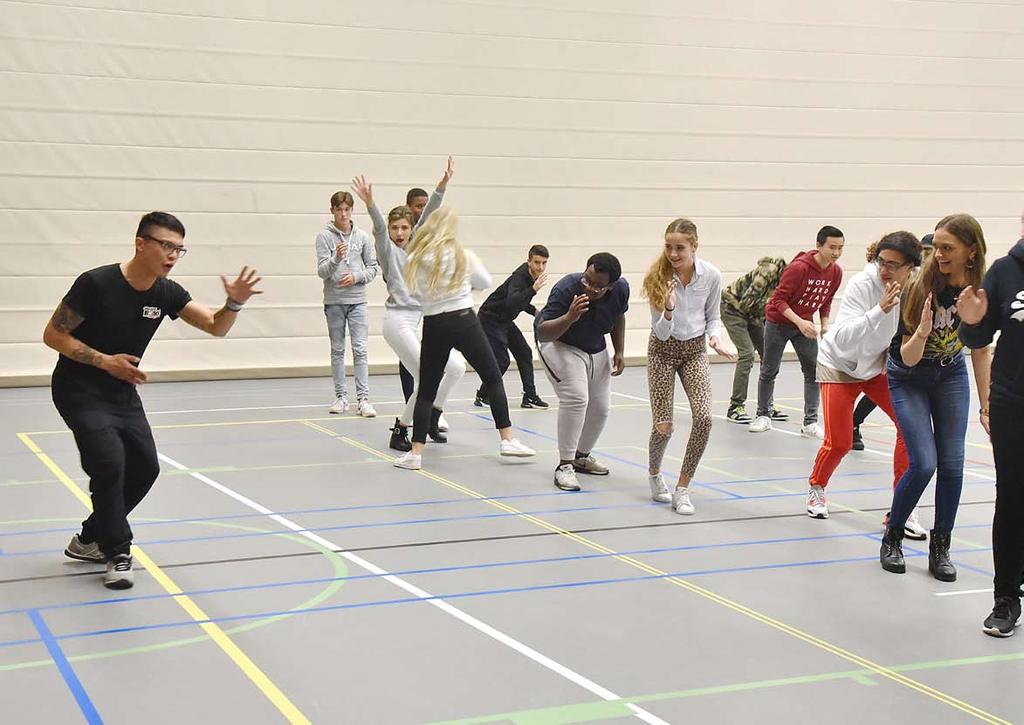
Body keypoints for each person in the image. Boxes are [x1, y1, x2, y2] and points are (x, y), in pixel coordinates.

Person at [45, 211, 262, 589]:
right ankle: (118, 552)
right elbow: (53, 335)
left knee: (145, 469)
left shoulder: (166, 292)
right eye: (166, 245)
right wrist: (103, 360)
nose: (172, 255)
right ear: (140, 243)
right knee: (109, 463)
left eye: (179, 249)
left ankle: (89, 538)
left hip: (121, 392)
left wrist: (234, 305)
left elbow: (215, 326)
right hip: (78, 387)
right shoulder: (96, 283)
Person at [879, 214, 991, 581]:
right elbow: (907, 356)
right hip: (908, 374)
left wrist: (986, 405)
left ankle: (940, 546)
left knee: (954, 464)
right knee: (924, 462)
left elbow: (978, 350)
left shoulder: (979, 288)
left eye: (948, 248)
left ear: (970, 251)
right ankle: (893, 535)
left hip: (950, 373)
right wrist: (924, 332)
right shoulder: (920, 286)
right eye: (937, 247)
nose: (939, 255)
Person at [394, 207, 535, 469]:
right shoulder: (463, 256)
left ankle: (415, 454)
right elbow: (484, 280)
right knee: (492, 376)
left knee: (426, 389)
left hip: (434, 323)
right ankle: (507, 439)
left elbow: (412, 291)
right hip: (463, 320)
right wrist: (466, 287)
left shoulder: (416, 256)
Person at [805, 233, 919, 521]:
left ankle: (901, 506)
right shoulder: (862, 284)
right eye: (881, 261)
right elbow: (842, 337)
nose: (885, 269)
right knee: (840, 442)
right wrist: (880, 310)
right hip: (839, 364)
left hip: (875, 367)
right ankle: (817, 486)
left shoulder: (915, 288)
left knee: (909, 428)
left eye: (894, 265)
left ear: (911, 268)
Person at [350, 159, 462, 452]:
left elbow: (427, 216)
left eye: (403, 227)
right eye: (394, 228)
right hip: (397, 321)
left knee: (457, 367)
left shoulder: (417, 246)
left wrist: (442, 185)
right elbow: (376, 228)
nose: (399, 232)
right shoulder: (387, 251)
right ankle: (402, 429)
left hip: (421, 320)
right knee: (427, 375)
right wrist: (371, 203)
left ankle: (434, 414)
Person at [958, 218, 1024, 636]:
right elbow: (976, 336)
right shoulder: (1005, 270)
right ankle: (1005, 598)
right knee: (1013, 497)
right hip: (1013, 403)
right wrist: (971, 320)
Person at [642, 219, 735, 515]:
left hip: (694, 351)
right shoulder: (657, 278)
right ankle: (655, 474)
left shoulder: (711, 276)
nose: (673, 253)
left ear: (694, 246)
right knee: (664, 426)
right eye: (668, 247)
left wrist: (715, 338)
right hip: (662, 350)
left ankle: (683, 488)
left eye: (680, 247)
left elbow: (713, 316)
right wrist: (668, 308)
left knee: (705, 417)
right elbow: (662, 332)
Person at [536, 253, 629, 492]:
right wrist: (570, 316)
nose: (589, 287)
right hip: (559, 343)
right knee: (577, 398)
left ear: (610, 286)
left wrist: (619, 349)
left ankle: (581, 456)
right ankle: (564, 465)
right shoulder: (566, 289)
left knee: (601, 407)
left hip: (594, 345)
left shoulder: (620, 290)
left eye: (598, 286)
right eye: (587, 279)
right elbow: (543, 333)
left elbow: (619, 315)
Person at [750, 226, 845, 436]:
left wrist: (825, 325)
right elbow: (778, 300)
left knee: (813, 371)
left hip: (805, 325)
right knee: (769, 369)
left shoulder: (836, 272)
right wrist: (800, 322)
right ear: (819, 246)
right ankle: (763, 415)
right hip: (778, 322)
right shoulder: (799, 268)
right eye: (832, 247)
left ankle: (810, 422)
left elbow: (826, 301)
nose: (836, 253)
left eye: (840, 248)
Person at [851, 233, 934, 451]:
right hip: (892, 345)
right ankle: (853, 423)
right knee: (880, 390)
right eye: (926, 251)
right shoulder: (898, 279)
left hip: (917, 345)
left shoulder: (930, 281)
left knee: (896, 401)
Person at [316, 190, 379, 417]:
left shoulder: (362, 237)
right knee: (338, 350)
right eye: (339, 209)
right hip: (334, 301)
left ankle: (363, 399)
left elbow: (373, 268)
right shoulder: (324, 237)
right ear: (332, 210)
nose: (343, 214)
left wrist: (356, 277)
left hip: (358, 301)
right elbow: (322, 271)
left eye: (347, 209)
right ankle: (341, 397)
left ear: (352, 211)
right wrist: (336, 259)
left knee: (360, 350)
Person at [474, 244, 550, 409]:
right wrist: (533, 290)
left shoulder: (529, 277)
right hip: (490, 319)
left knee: (524, 353)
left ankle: (529, 396)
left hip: (504, 320)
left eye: (544, 263)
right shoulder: (520, 277)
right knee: (502, 361)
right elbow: (512, 301)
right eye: (537, 262)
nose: (541, 267)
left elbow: (519, 302)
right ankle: (483, 394)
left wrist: (535, 311)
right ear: (529, 261)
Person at [720, 255, 788, 424]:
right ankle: (735, 407)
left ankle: (766, 406)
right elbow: (746, 303)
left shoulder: (787, 281)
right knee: (747, 354)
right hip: (733, 308)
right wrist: (772, 304)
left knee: (768, 355)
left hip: (753, 315)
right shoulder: (767, 274)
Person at [397, 186, 433, 404]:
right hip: (405, 303)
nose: (423, 210)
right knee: (407, 354)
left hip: (425, 301)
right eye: (419, 206)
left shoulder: (427, 233)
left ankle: (427, 403)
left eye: (425, 206)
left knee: (428, 353)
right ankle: (410, 401)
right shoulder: (400, 233)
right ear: (409, 207)